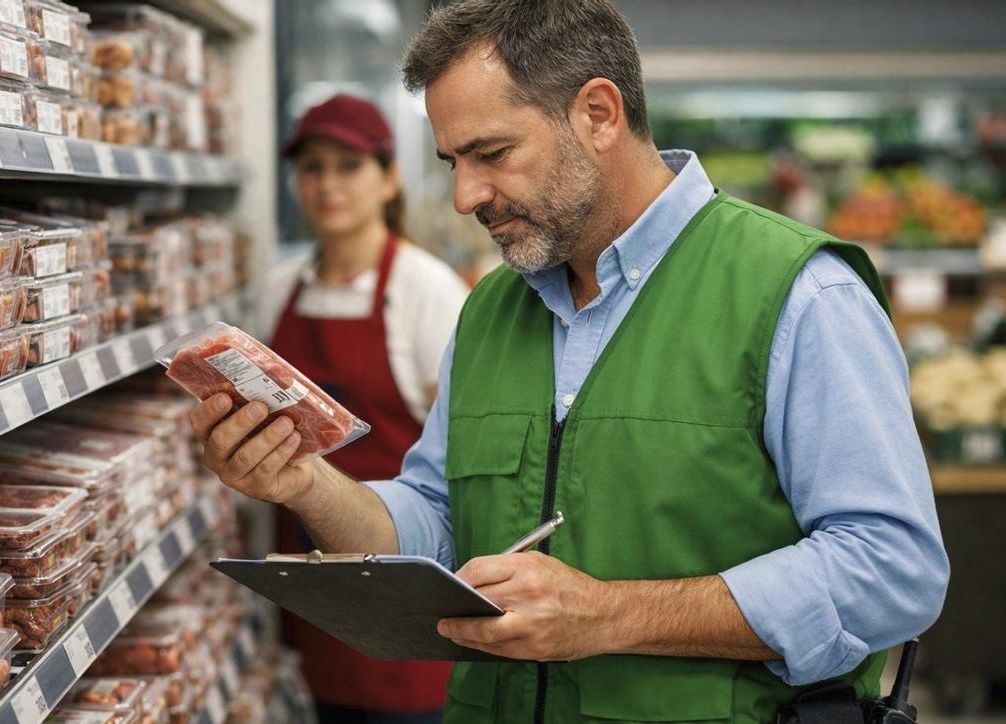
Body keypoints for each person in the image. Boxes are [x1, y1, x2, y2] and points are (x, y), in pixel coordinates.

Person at [192, 3, 950, 722]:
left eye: (491, 154)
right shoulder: (491, 310)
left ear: (597, 114)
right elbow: (438, 525)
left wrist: (613, 615)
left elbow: (891, 569)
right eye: (452, 160)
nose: (464, 196)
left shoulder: (798, 293)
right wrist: (304, 483)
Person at [254, 93, 468, 724]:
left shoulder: (426, 291)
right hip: (309, 591)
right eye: (312, 167)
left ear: (389, 177)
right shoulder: (279, 288)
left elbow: (459, 448)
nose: (327, 185)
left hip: (403, 591)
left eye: (348, 165)